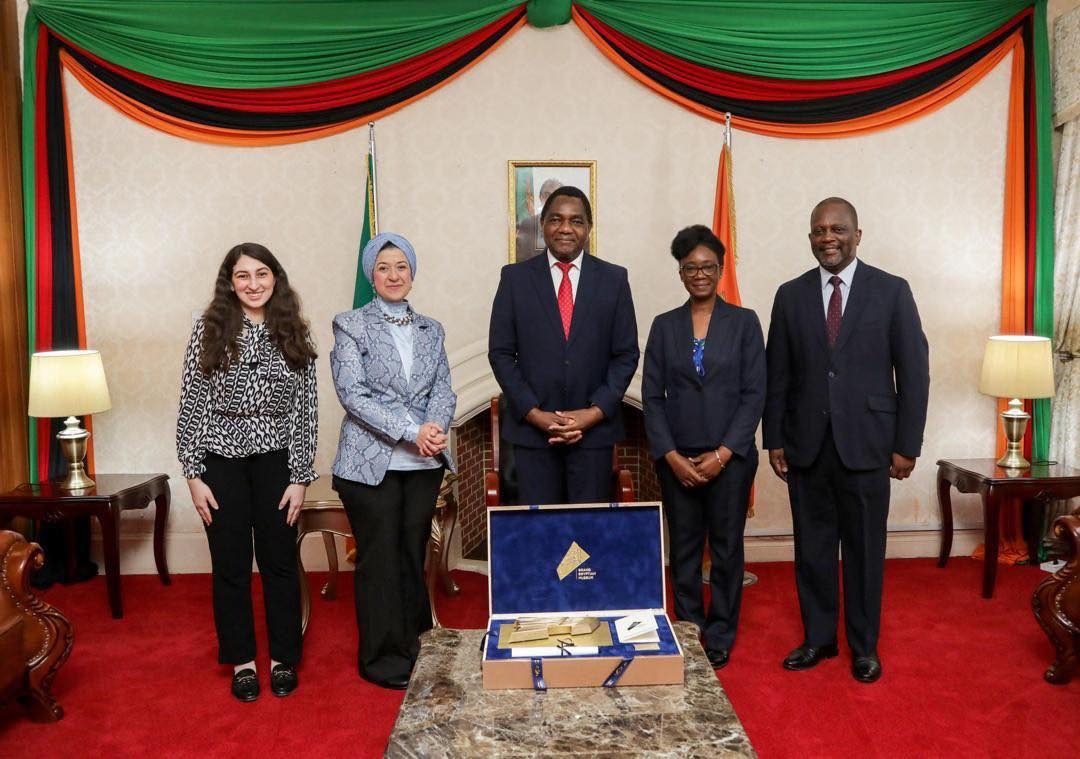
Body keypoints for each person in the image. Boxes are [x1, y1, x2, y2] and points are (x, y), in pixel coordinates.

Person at [763, 197, 929, 683]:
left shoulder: (892, 291)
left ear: (858, 235)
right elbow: (778, 374)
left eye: (837, 229)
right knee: (812, 549)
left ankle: (864, 646)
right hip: (807, 444)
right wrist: (774, 438)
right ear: (810, 238)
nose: (828, 238)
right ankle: (818, 639)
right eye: (819, 230)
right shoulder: (789, 295)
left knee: (864, 550)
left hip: (869, 444)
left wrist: (907, 444)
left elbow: (913, 372)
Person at [176, 242, 318, 702]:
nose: (253, 284)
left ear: (275, 278)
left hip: (278, 461)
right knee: (231, 563)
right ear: (230, 282)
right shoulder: (209, 329)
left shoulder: (293, 328)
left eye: (261, 274)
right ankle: (242, 662)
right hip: (220, 461)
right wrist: (193, 474)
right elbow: (193, 401)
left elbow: (305, 409)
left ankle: (282, 659)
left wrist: (299, 477)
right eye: (243, 276)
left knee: (279, 561)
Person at [330, 232, 456, 690]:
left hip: (422, 465)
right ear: (372, 275)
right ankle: (381, 658)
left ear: (412, 274)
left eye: (401, 266)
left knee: (409, 554)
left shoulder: (431, 329)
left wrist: (435, 427)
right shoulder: (350, 324)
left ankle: (415, 646)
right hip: (369, 464)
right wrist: (410, 430)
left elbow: (443, 388)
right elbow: (352, 394)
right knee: (380, 559)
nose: (393, 275)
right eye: (384, 267)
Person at [642, 225, 765, 670]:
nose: (699, 274)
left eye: (708, 267)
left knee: (727, 548)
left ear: (721, 269)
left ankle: (721, 633)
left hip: (730, 460)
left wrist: (724, 454)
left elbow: (755, 394)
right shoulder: (664, 326)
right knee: (684, 549)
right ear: (680, 272)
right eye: (690, 267)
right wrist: (671, 455)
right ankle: (689, 630)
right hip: (677, 458)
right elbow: (652, 397)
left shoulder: (745, 323)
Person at [489, 186, 639, 504]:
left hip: (593, 437)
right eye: (556, 219)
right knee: (541, 529)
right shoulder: (515, 279)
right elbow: (500, 353)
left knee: (588, 530)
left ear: (589, 228)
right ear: (543, 224)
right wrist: (534, 414)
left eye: (576, 220)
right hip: (533, 436)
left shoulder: (614, 280)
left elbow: (626, 355)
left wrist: (593, 413)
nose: (566, 228)